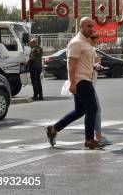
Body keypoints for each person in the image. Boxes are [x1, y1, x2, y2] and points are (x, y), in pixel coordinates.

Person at [46, 17, 104, 150]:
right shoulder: (76, 42)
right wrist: (72, 83)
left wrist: (95, 66)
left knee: (80, 111)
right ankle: (89, 139)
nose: (91, 29)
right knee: (93, 109)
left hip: (86, 79)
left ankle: (54, 129)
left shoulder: (86, 43)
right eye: (88, 26)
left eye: (92, 26)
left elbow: (85, 62)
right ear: (81, 27)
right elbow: (71, 65)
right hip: (81, 81)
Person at [88, 34, 112, 145]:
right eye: (94, 38)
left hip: (87, 84)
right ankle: (98, 136)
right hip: (87, 84)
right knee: (96, 110)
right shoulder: (90, 50)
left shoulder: (90, 50)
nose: (96, 41)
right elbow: (92, 65)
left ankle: (55, 129)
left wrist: (98, 64)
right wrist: (97, 64)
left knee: (80, 111)